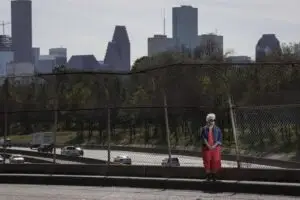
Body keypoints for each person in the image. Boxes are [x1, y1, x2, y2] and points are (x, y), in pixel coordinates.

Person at [201, 113, 222, 181]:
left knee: (215, 161)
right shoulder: (204, 129)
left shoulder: (218, 129)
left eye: (213, 120)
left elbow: (219, 139)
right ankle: (208, 176)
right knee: (207, 161)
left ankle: (214, 176)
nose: (212, 122)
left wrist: (214, 146)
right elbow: (203, 138)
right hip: (207, 148)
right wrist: (208, 146)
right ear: (208, 121)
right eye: (211, 120)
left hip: (215, 148)